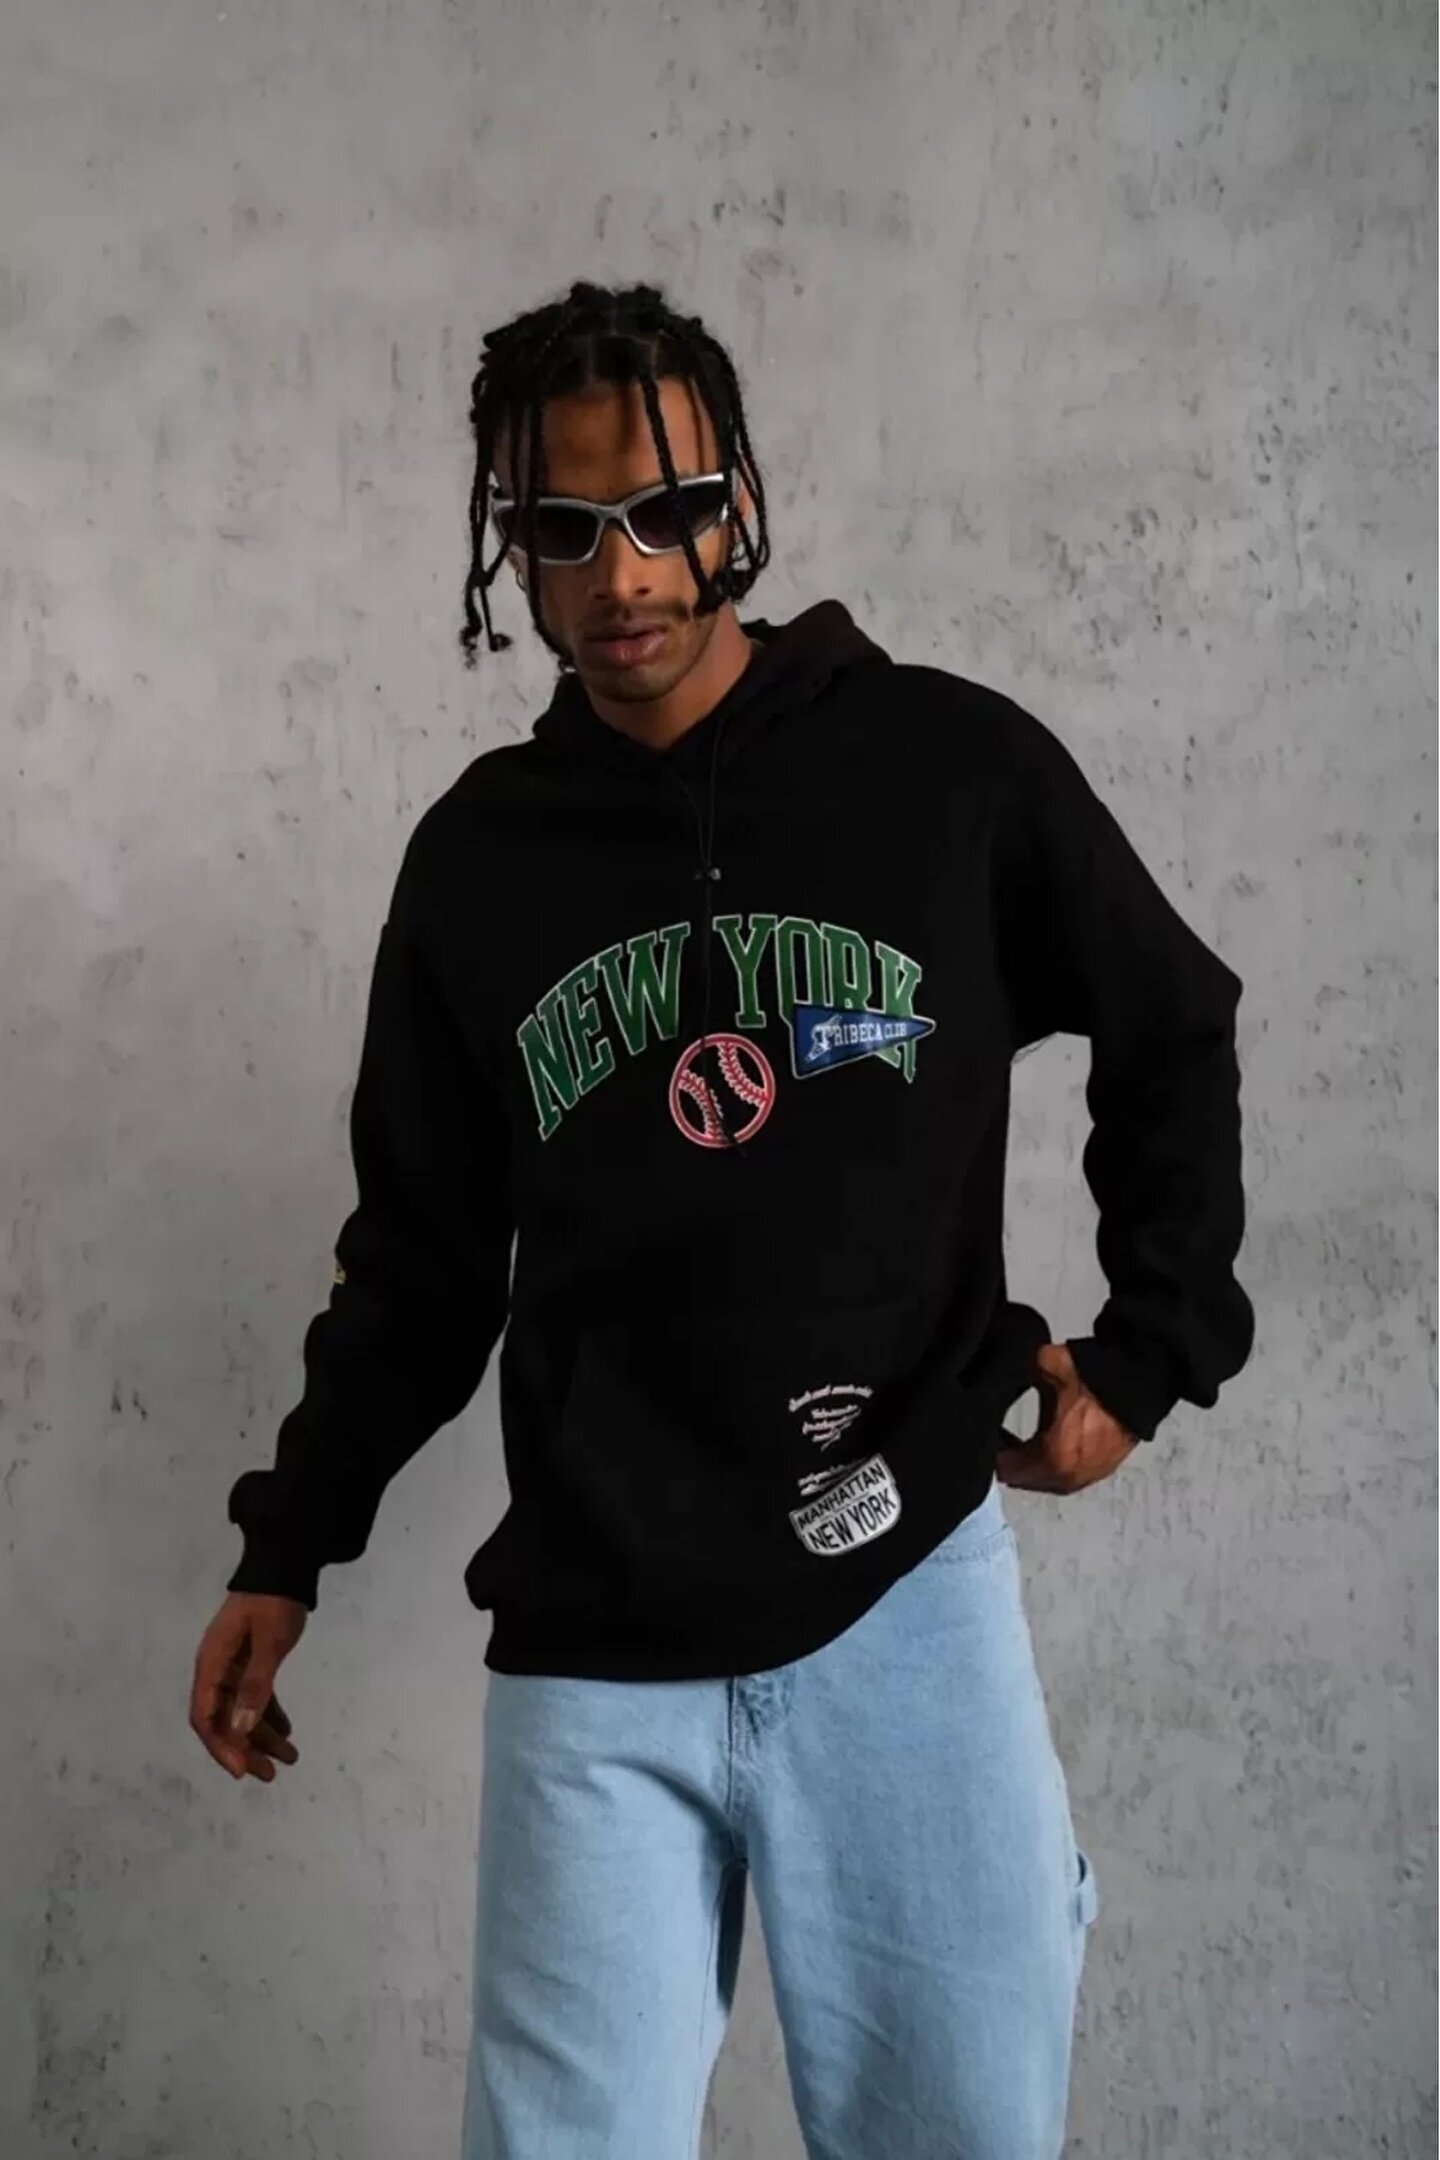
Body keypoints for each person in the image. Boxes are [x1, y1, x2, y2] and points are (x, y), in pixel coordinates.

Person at [189, 278, 1255, 2158]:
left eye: (664, 511)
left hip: (907, 1593)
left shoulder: (948, 770)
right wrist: (291, 1542)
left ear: (740, 502)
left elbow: (1170, 1023)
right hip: (598, 1631)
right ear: (510, 546)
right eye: (564, 529)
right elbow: (422, 1262)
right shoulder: (483, 860)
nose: (621, 575)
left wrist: (1153, 1350)